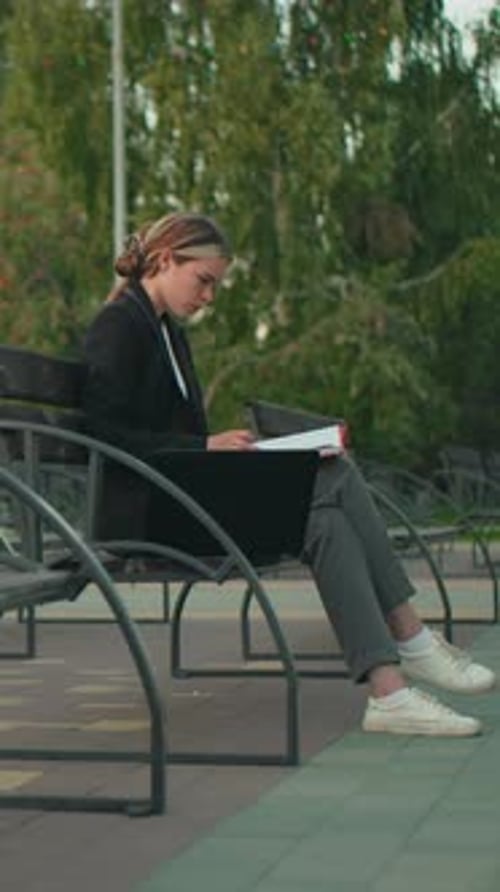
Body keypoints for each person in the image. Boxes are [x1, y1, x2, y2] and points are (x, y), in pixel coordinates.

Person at [82, 211, 496, 738]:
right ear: (166, 260)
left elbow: (168, 436)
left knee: (325, 511)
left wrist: (225, 452)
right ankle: (412, 639)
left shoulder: (164, 331)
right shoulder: (119, 324)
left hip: (178, 497)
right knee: (336, 479)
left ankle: (390, 694)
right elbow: (103, 434)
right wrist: (204, 446)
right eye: (204, 281)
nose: (209, 297)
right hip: (148, 517)